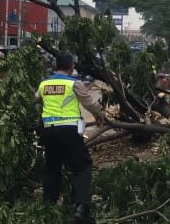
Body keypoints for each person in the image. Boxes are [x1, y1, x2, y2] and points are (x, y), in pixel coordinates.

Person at [36, 51, 106, 224]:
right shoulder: (74, 83)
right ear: (71, 67)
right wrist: (100, 116)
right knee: (82, 166)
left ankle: (48, 206)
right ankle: (82, 209)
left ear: (55, 66)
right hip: (69, 129)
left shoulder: (44, 84)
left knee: (52, 166)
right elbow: (90, 103)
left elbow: (36, 99)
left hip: (49, 130)